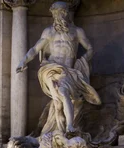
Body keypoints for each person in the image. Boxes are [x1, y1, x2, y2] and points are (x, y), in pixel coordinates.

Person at [16, 1, 101, 135]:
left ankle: (60, 129)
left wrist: (83, 60)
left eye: (63, 11)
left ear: (67, 13)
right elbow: (35, 49)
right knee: (61, 93)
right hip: (50, 69)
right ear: (53, 14)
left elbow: (90, 48)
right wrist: (23, 61)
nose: (60, 15)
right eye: (57, 12)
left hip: (68, 71)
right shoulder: (48, 32)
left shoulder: (77, 31)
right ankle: (69, 126)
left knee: (58, 102)